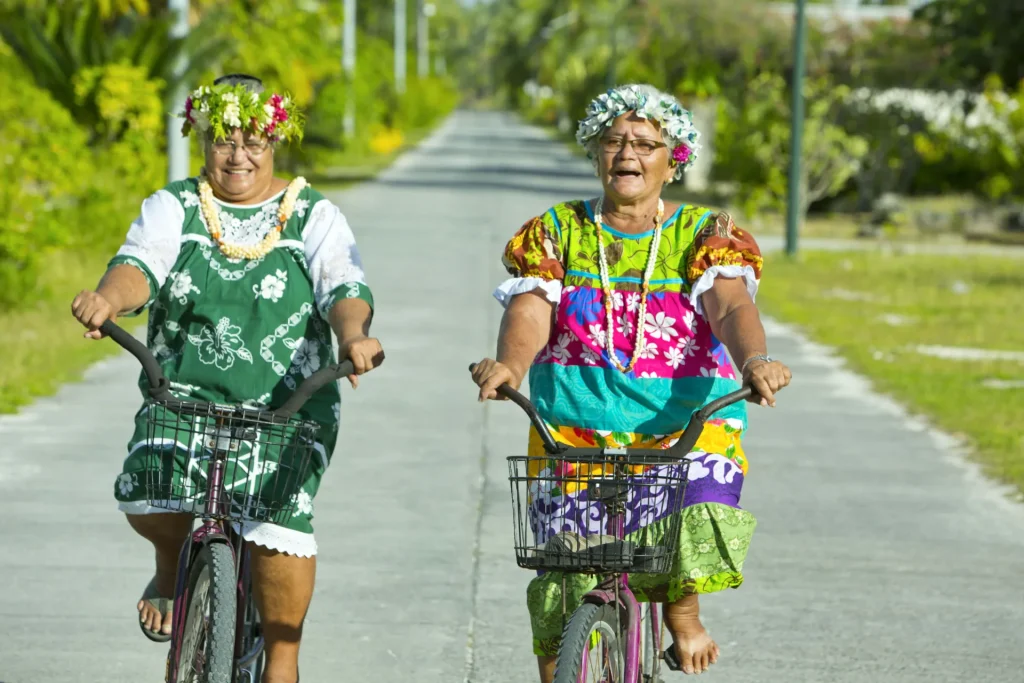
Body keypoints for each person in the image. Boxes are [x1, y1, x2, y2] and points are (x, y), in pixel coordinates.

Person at [471, 83, 792, 680]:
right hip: (574, 427)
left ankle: (684, 614)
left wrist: (753, 362)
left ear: (673, 162)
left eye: (646, 144)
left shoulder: (703, 233)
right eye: (614, 141)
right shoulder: (556, 231)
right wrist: (510, 366)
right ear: (595, 153)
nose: (629, 154)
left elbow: (729, 305)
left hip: (683, 430)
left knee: (692, 512)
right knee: (563, 582)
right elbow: (531, 309)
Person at [71, 74, 382, 683]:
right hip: (182, 397)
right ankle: (171, 567)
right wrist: (110, 300)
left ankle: (282, 666)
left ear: (276, 141)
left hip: (287, 407)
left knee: (276, 524)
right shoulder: (176, 206)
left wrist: (353, 337)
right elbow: (139, 265)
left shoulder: (312, 214)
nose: (238, 155)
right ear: (201, 137)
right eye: (223, 140)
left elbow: (345, 287)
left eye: (254, 140)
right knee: (148, 484)